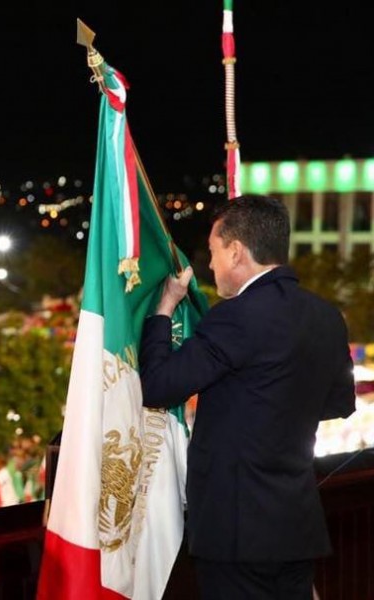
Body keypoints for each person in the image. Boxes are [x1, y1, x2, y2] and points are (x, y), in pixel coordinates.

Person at [139, 195, 356, 599]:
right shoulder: (327, 316)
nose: (211, 264)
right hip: (295, 527)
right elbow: (340, 403)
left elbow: (159, 386)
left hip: (234, 531)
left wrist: (164, 310)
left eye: (214, 252)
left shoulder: (236, 315)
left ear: (236, 251)